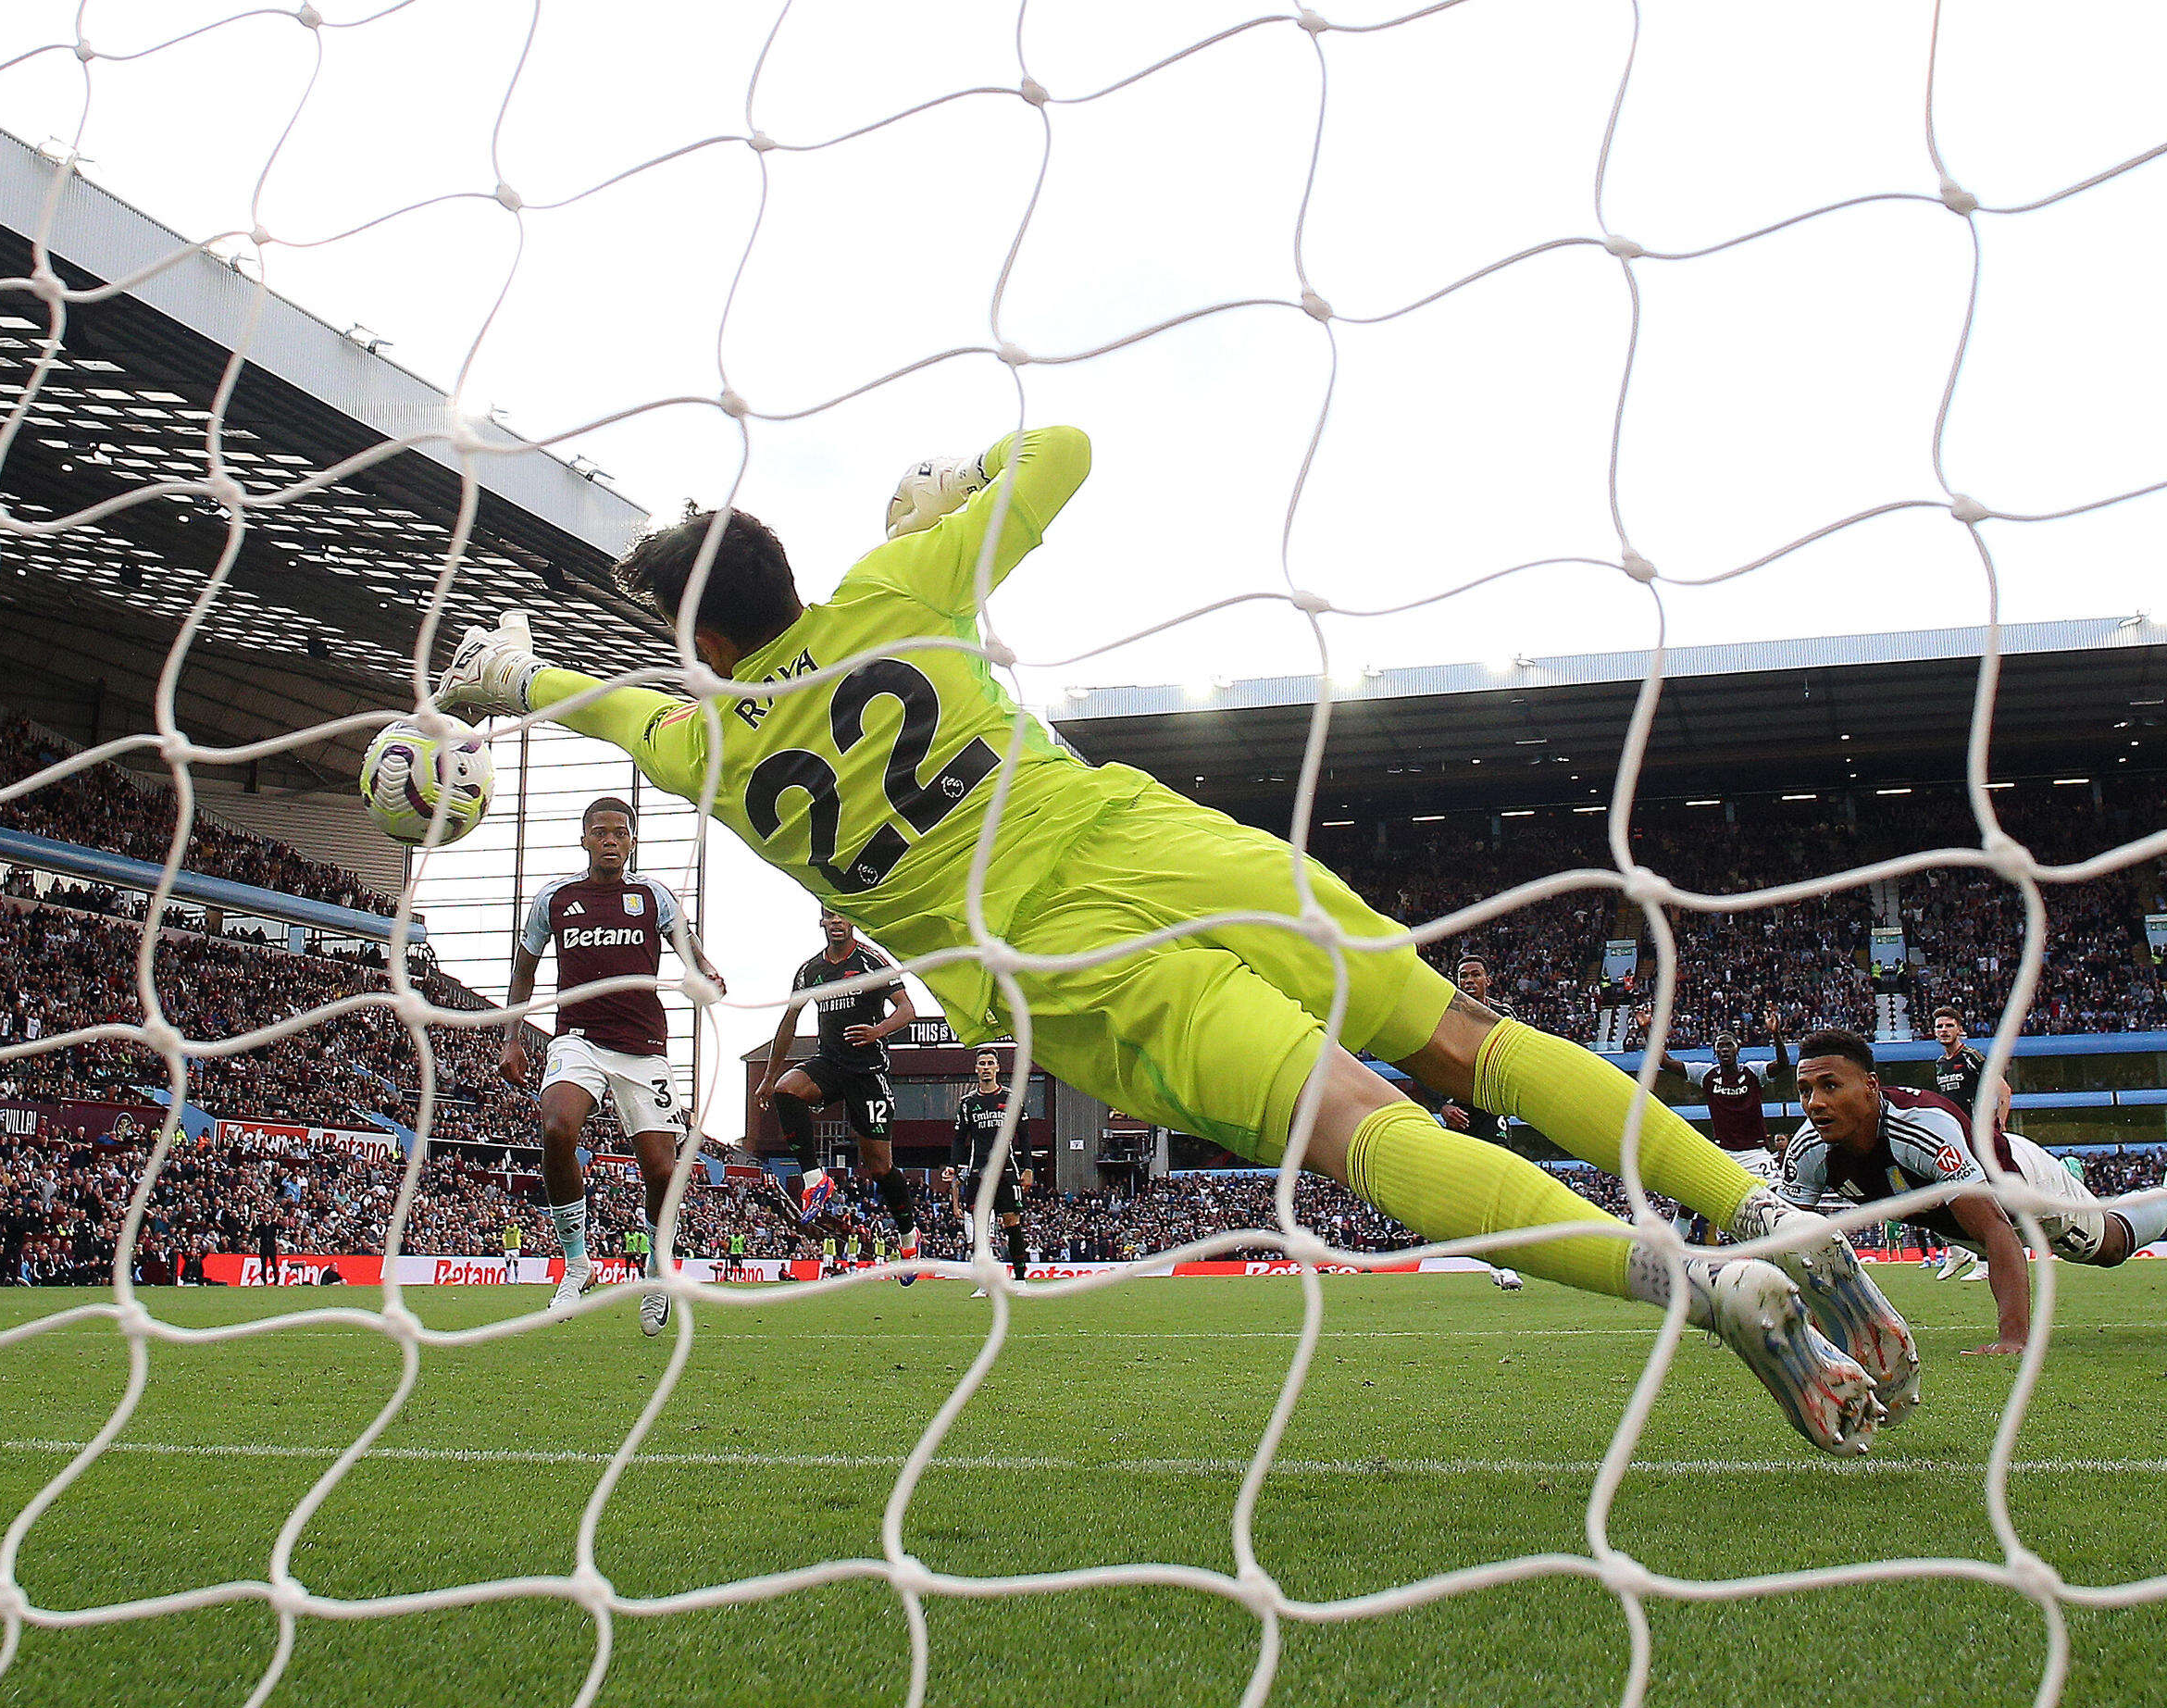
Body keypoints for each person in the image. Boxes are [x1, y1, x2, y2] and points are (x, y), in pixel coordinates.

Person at [431, 422, 1918, 1454]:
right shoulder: (904, 589)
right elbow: (1068, 453)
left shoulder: (713, 748)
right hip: (1167, 845)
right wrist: (954, 497)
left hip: (1063, 961)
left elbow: (603, 708)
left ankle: (1707, 1294)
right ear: (790, 575)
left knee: (1355, 1124)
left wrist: (513, 680)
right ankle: (1746, 1205)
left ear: (704, 643)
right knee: (1466, 1040)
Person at [1783, 1028, 2167, 1355]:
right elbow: (1788, 1246)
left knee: (2108, 1249)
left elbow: (1996, 1231)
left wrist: (2013, 1338)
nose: (1815, 1103)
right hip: (1949, 1216)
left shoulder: (1920, 1128)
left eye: (1830, 1086)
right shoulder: (1808, 1149)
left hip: (2019, 1190)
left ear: (1872, 1085)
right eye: (1805, 1090)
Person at [501, 796, 726, 1334]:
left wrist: (707, 971)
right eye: (599, 831)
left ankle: (655, 1267)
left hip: (643, 1046)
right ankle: (577, 1262)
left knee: (664, 1172)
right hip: (577, 1039)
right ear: (584, 839)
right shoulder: (555, 898)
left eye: (619, 832)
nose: (609, 839)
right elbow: (524, 970)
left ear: (630, 841)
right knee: (557, 1127)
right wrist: (511, 1039)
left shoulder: (654, 895)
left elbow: (688, 948)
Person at [756, 910, 923, 1278]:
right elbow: (789, 1022)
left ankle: (909, 1236)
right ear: (820, 922)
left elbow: (908, 1010)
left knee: (880, 1167)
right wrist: (768, 1076)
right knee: (787, 1091)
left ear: (852, 922)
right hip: (829, 1063)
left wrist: (877, 1032)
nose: (835, 921)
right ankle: (815, 1180)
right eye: (828, 915)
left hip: (868, 1072)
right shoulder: (810, 971)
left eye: (841, 915)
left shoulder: (872, 961)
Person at [1641, 1004, 1791, 1241]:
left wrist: (1776, 1034)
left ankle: (1791, 1245)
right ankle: (1669, 1251)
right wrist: (1647, 1028)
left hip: (1755, 1153)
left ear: (1737, 1049)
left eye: (1728, 1045)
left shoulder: (1753, 1072)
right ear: (1714, 1052)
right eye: (1719, 1046)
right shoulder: (1707, 1074)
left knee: (1780, 1202)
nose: (1723, 1049)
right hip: (1723, 1153)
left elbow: (1782, 1065)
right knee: (1690, 1200)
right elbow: (1666, 1063)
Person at [1925, 1006, 2010, 1280]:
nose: (1944, 1030)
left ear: (1960, 1029)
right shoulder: (1940, 1063)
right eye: (1939, 1026)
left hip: (1977, 1136)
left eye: (1949, 1025)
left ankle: (1984, 1262)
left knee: (1982, 1193)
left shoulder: (1971, 1057)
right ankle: (1957, 1252)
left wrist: (1999, 1123)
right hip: (1954, 1135)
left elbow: (2003, 1089)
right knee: (1940, 1186)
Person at [953, 1047, 1029, 1289]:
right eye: (982, 1064)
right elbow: (959, 1139)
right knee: (980, 1229)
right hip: (978, 1173)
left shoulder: (1010, 1098)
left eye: (990, 1063)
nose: (986, 1067)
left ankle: (1020, 1279)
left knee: (1012, 1223)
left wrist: (1028, 1168)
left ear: (998, 1068)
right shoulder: (968, 1103)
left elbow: (1025, 1137)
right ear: (976, 1069)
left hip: (1006, 1171)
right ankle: (983, 1282)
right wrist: (954, 1168)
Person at [1431, 956, 1513, 1144]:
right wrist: (1442, 1106)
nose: (1469, 980)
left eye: (1476, 975)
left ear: (1488, 980)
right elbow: (1426, 1064)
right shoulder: (1444, 1017)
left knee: (1498, 1161)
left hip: (1492, 1107)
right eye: (1464, 976)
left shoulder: (1505, 1014)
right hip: (1460, 1111)